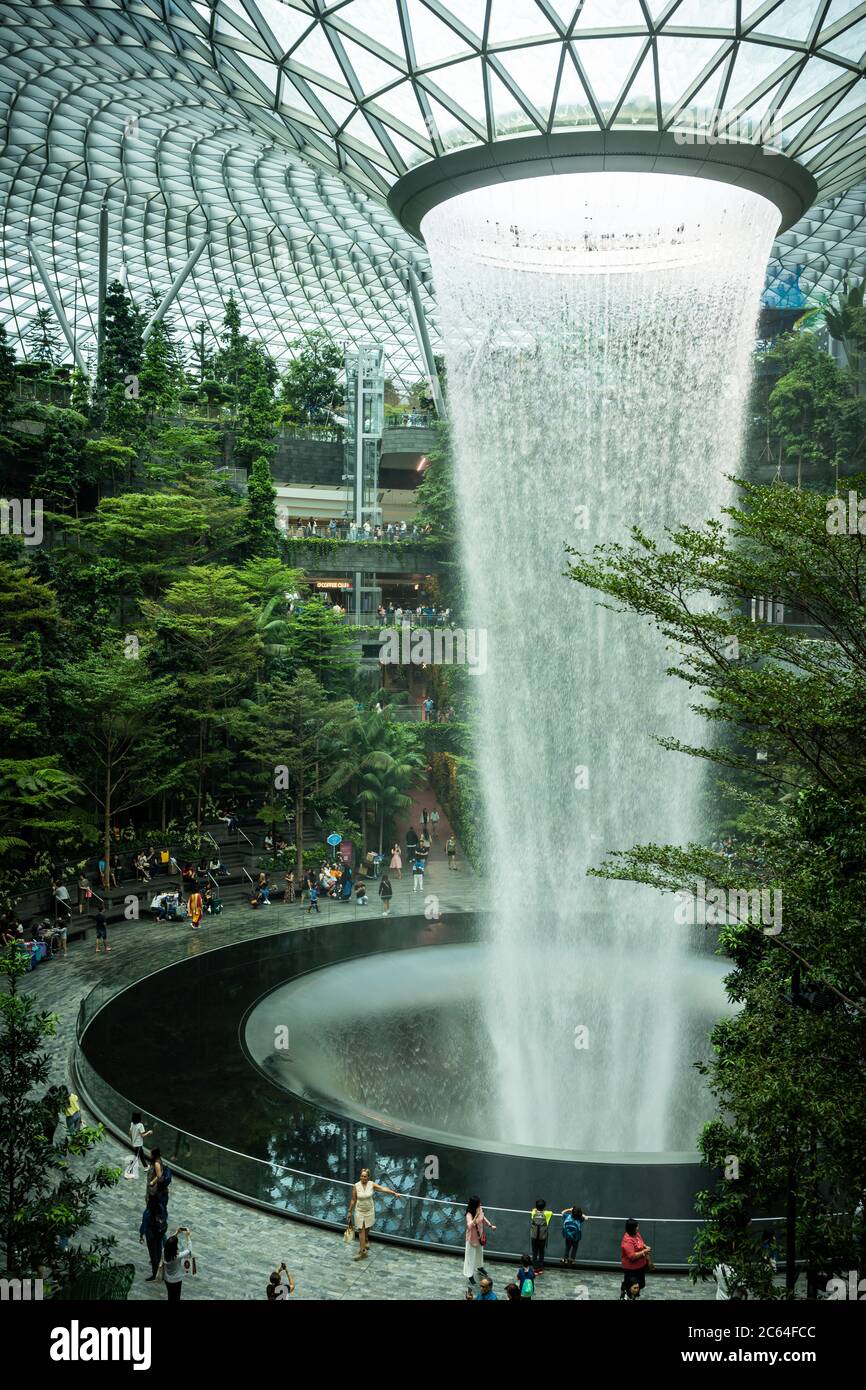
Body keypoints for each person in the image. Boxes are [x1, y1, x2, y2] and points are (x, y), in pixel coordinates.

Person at [346, 1168, 405, 1261]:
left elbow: (383, 1189)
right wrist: (349, 1211)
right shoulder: (356, 1186)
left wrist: (394, 1193)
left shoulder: (371, 1184)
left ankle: (365, 1241)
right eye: (362, 1176)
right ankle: (362, 1251)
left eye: (365, 1176)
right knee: (361, 1230)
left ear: (368, 1177)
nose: (363, 1178)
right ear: (360, 1176)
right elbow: (353, 1200)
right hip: (359, 1211)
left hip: (369, 1210)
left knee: (368, 1228)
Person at [464, 1196, 495, 1284]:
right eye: (478, 1203)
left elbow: (483, 1218)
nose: (480, 1204)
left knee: (479, 1253)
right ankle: (470, 1275)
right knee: (470, 1257)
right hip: (471, 1238)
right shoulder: (469, 1214)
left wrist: (490, 1225)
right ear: (474, 1205)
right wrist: (476, 1216)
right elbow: (469, 1226)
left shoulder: (480, 1209)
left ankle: (480, 1267)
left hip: (479, 1237)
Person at [620, 1218, 651, 1299]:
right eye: (637, 1226)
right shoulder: (627, 1240)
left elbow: (641, 1242)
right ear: (632, 1228)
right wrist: (644, 1251)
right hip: (631, 1269)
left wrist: (645, 1246)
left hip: (640, 1266)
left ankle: (633, 1295)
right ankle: (626, 1295)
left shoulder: (636, 1234)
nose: (638, 1228)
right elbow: (632, 1256)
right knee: (631, 1286)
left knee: (641, 1284)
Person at [160, 1227, 193, 1301]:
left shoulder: (164, 1251)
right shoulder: (177, 1256)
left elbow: (169, 1243)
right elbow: (189, 1250)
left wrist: (177, 1233)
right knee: (176, 1297)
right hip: (176, 1280)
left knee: (170, 1295)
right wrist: (188, 1237)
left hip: (167, 1278)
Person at [140, 1196, 167, 1280]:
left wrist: (141, 1234)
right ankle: (163, 1272)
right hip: (159, 1234)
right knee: (159, 1252)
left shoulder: (147, 1213)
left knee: (153, 1255)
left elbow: (144, 1225)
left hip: (151, 1236)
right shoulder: (161, 1208)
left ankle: (155, 1274)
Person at [530, 1198, 552, 1272]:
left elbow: (533, 1210)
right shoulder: (547, 1214)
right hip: (543, 1237)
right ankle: (541, 1267)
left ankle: (535, 1267)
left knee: (534, 1252)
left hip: (534, 1237)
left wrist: (535, 1209)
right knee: (541, 1252)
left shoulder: (533, 1213)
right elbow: (551, 1212)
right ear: (544, 1207)